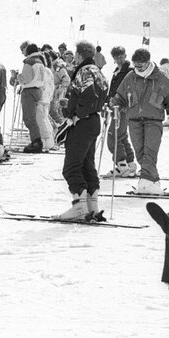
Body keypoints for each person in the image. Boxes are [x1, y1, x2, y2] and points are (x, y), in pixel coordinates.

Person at [111, 49, 169, 195]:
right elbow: (120, 96)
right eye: (135, 65)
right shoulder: (130, 77)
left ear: (148, 62)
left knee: (150, 151)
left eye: (141, 66)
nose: (138, 68)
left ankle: (146, 183)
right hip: (134, 120)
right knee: (140, 153)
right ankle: (153, 181)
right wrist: (114, 103)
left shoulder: (160, 78)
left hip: (153, 120)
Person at [56, 41, 108, 220]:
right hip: (94, 120)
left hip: (83, 122)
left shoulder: (84, 71)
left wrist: (75, 113)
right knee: (87, 164)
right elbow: (97, 95)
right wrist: (73, 105)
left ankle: (79, 207)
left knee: (71, 166)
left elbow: (88, 93)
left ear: (79, 55)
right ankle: (92, 206)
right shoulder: (98, 71)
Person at [104, 46, 137, 178]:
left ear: (125, 55)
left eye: (121, 56)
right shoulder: (117, 71)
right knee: (121, 135)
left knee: (114, 135)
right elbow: (113, 90)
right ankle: (130, 165)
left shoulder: (129, 70)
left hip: (123, 107)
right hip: (115, 107)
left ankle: (121, 165)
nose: (119, 59)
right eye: (116, 57)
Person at [20, 43, 55, 153]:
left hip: (29, 90)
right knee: (39, 116)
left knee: (29, 118)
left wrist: (17, 77)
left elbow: (26, 78)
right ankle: (41, 139)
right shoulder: (40, 61)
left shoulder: (29, 61)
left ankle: (36, 141)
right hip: (38, 89)